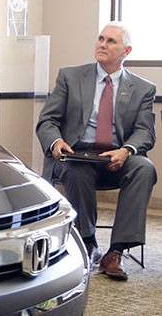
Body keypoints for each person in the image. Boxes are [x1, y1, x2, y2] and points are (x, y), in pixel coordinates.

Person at [36, 22, 156, 281]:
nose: (102, 44)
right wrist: (57, 143)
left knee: (144, 168)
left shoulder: (143, 89)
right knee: (75, 171)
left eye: (111, 41)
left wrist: (126, 150)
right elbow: (47, 121)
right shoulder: (70, 77)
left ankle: (116, 252)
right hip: (78, 154)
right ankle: (88, 242)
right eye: (100, 39)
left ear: (126, 50)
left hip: (117, 157)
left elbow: (145, 132)